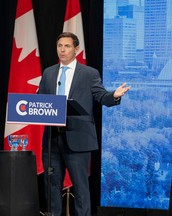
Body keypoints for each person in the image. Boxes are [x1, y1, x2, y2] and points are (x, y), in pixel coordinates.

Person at [38, 32, 130, 216]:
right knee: (52, 185)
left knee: (80, 188)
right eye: (59, 46)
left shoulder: (89, 73)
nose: (62, 50)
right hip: (52, 141)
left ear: (77, 49)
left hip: (78, 139)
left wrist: (114, 95)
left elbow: (101, 96)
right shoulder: (48, 73)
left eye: (67, 46)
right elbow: (41, 101)